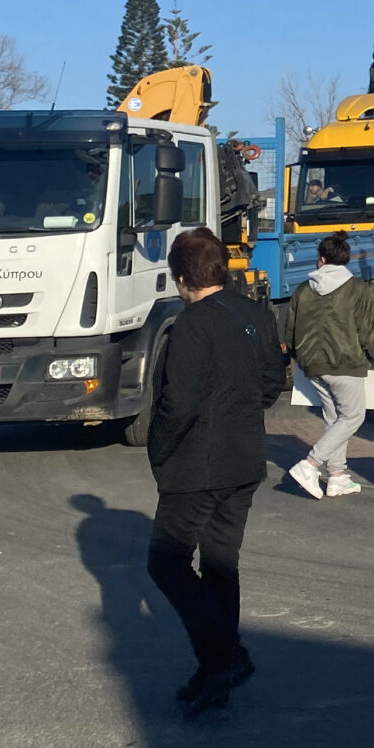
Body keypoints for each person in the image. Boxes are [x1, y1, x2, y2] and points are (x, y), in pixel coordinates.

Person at [146, 227, 287, 718]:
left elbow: (177, 403)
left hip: (197, 465)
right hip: (244, 458)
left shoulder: (190, 324)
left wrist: (158, 449)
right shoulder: (254, 313)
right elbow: (274, 380)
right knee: (220, 566)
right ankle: (220, 670)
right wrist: (240, 412)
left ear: (183, 276)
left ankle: (222, 659)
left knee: (166, 563)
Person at [283, 234, 374, 500]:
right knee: (353, 417)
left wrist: (296, 356)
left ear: (321, 259)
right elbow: (369, 333)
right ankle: (310, 464)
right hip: (346, 363)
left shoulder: (302, 289)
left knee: (334, 419)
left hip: (312, 365)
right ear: (345, 260)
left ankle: (337, 476)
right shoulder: (359, 288)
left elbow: (290, 332)